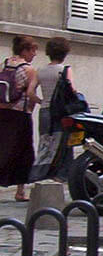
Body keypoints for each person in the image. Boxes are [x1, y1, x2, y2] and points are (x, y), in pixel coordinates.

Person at [0, 35, 41, 201]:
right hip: (20, 115)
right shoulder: (29, 69)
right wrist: (40, 103)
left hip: (2, 112)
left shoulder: (5, 63)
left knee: (3, 148)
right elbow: (31, 94)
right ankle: (20, 191)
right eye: (33, 50)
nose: (35, 54)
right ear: (25, 50)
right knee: (23, 151)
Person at [31, 37, 77, 182]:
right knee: (63, 143)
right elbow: (72, 90)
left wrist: (41, 101)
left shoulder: (41, 71)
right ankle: (59, 175)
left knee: (45, 143)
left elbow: (30, 92)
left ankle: (41, 173)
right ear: (64, 53)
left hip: (45, 111)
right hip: (61, 112)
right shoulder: (65, 70)